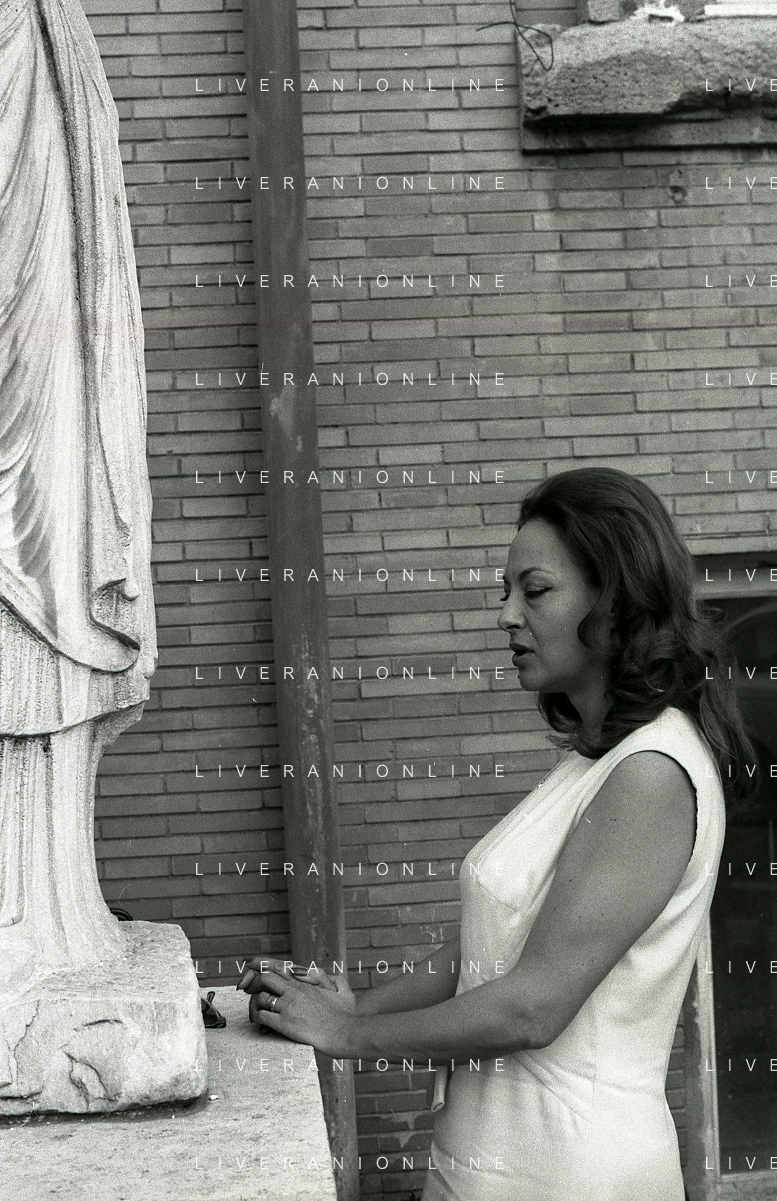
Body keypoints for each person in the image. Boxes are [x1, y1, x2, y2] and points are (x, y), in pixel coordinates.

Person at [238, 467, 753, 1201]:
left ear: (615, 600)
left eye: (534, 591)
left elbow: (531, 1006)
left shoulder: (652, 775)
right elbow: (493, 945)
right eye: (505, 591)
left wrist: (347, 1037)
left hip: (569, 1173)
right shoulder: (595, 761)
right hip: (491, 1160)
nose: (506, 614)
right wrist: (359, 1006)